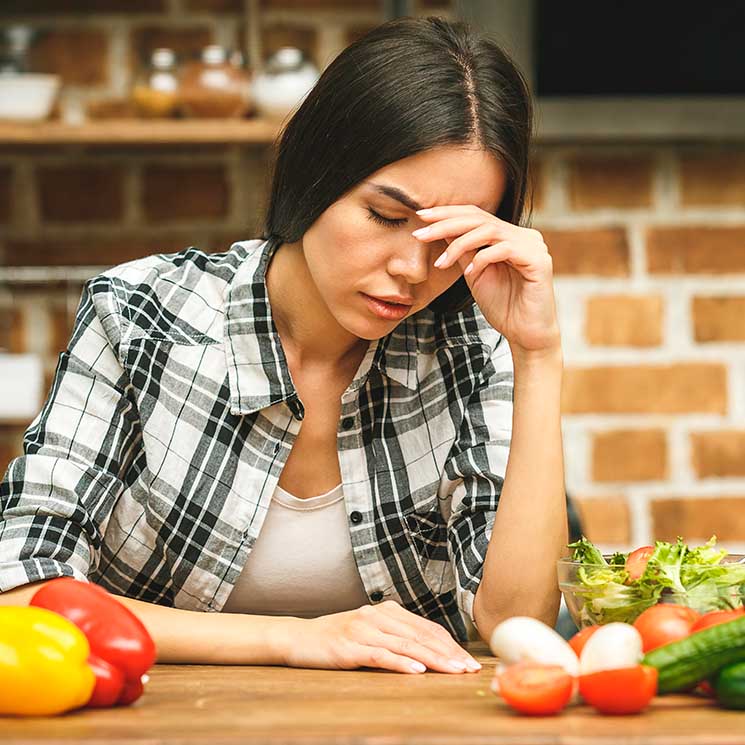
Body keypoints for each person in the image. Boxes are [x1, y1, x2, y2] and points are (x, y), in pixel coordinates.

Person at [0, 16, 566, 676]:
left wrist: (538, 354)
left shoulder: (469, 346)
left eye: (449, 240)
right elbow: (22, 588)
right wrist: (293, 639)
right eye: (386, 217)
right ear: (318, 173)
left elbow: (515, 622)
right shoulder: (142, 314)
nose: (413, 268)